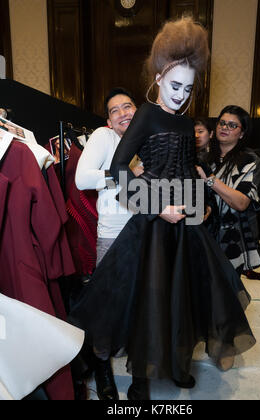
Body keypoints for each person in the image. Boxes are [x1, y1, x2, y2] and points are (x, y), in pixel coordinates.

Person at [69, 17, 256, 401]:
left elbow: (187, 170)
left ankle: (177, 363)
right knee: (148, 300)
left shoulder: (188, 124)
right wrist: (159, 207)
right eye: (174, 86)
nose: (181, 95)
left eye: (188, 89)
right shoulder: (145, 116)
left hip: (186, 227)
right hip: (151, 224)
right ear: (157, 79)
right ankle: (140, 380)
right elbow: (120, 170)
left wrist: (197, 206)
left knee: (181, 296)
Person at [74, 87, 142, 400]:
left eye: (128, 106)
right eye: (115, 110)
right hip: (114, 232)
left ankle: (141, 370)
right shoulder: (105, 137)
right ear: (108, 119)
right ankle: (102, 368)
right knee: (107, 306)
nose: (123, 113)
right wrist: (123, 175)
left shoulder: (147, 139)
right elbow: (82, 179)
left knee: (142, 302)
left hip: (145, 231)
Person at [196, 105, 260, 277]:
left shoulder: (250, 161)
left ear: (242, 133)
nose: (225, 127)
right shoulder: (204, 158)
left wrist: (210, 179)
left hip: (233, 238)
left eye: (232, 125)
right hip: (205, 234)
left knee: (228, 293)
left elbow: (241, 202)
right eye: (222, 123)